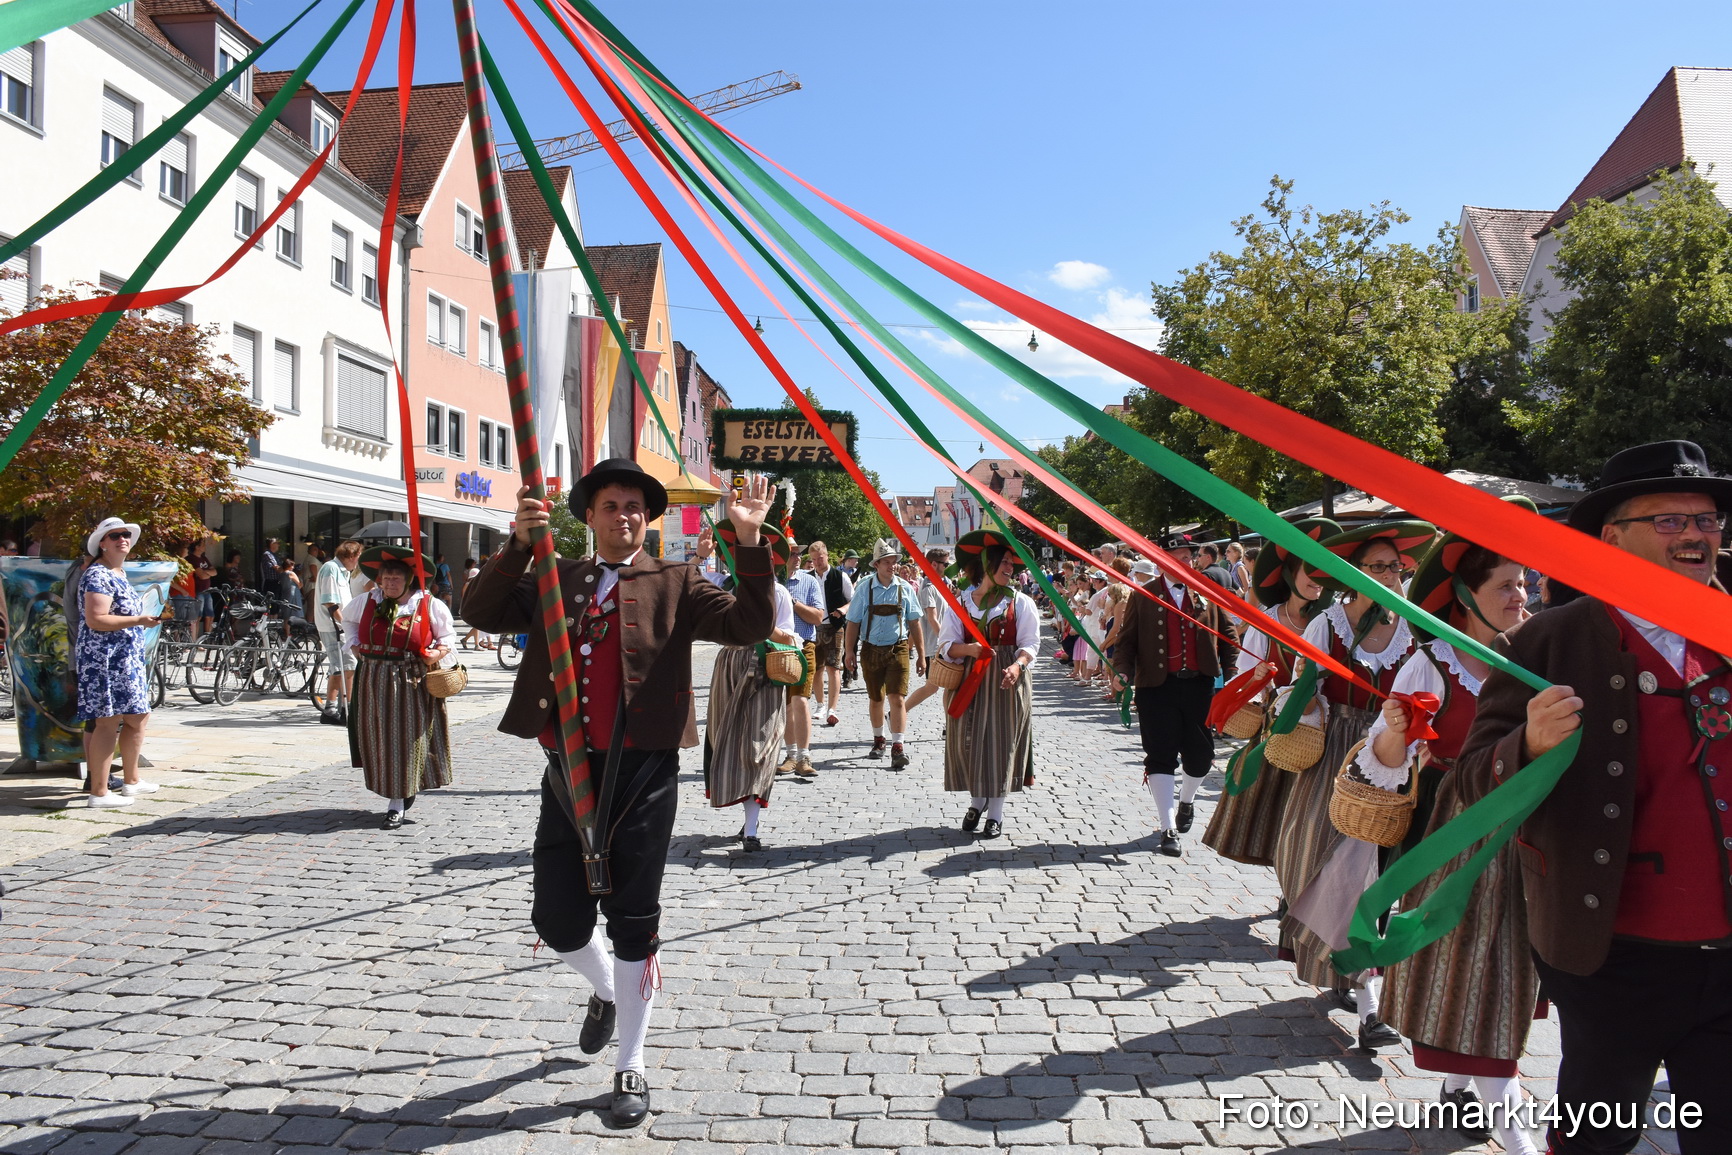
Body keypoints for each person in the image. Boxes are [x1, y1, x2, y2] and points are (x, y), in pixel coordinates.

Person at [462, 458, 776, 1129]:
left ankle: (630, 1059)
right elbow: (479, 609)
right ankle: (609, 992)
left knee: (635, 923)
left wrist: (748, 542)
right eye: (611, 505)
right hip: (568, 771)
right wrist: (519, 544)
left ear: (646, 517)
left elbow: (750, 624)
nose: (625, 516)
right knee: (557, 920)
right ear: (590, 514)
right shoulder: (558, 575)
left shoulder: (676, 579)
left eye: (635, 506)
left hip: (643, 774)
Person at [1457, 440, 1732, 1155]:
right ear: (1612, 536)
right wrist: (1529, 747)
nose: (1698, 534)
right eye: (1670, 520)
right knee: (1594, 1137)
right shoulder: (1549, 639)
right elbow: (1470, 779)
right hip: (1610, 953)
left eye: (1707, 520)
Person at [1367, 507, 1540, 1155]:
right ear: (1466, 597)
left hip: (1521, 837)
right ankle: (1517, 1135)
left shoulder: (1532, 656)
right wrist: (1391, 734)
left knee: (1496, 974)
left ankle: (1463, 1084)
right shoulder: (1429, 665)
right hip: (1448, 839)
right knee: (1478, 971)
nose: (1522, 595)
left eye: (1525, 583)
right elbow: (1381, 760)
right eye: (1506, 585)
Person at [1272, 520, 1434, 1047]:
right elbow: (1305, 687)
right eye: (1378, 566)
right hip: (1335, 760)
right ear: (1353, 573)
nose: (1390, 575)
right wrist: (1300, 708)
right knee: (1326, 867)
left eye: (1396, 566)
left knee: (1365, 873)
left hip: (1393, 757)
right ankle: (1357, 981)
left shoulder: (1414, 629)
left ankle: (1370, 1007)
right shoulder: (1329, 625)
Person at [1203, 518, 1338, 866]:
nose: (1318, 580)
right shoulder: (1269, 621)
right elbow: (1246, 679)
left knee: (1314, 821)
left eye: (1325, 572)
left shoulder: (1338, 621)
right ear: (1291, 573)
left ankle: (1295, 887)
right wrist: (1260, 677)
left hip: (1329, 732)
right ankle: (1285, 881)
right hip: (1281, 730)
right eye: (1311, 571)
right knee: (1276, 815)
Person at [1112, 533, 1232, 857]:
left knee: (1201, 757)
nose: (1185, 562)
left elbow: (1230, 636)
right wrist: (1122, 672)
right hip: (1157, 688)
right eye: (1178, 557)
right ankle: (1167, 828)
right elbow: (1126, 643)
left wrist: (1233, 680)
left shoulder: (1207, 593)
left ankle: (1187, 801)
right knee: (1160, 755)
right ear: (1162, 561)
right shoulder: (1143, 595)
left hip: (1200, 686)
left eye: (1188, 556)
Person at [341, 546, 457, 830]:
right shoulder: (366, 600)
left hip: (411, 680)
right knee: (381, 738)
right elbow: (347, 621)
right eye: (386, 578)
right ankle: (396, 790)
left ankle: (397, 801)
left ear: (408, 580)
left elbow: (448, 636)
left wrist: (437, 654)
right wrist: (354, 644)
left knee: (406, 739)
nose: (390, 583)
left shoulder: (428, 604)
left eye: (396, 578)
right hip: (373, 678)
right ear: (379, 579)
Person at [938, 530, 1038, 838]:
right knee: (967, 740)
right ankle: (976, 800)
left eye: (1012, 563)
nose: (1011, 568)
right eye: (1004, 562)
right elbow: (945, 646)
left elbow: (1031, 644)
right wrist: (970, 650)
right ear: (987, 563)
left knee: (1001, 743)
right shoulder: (960, 603)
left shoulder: (1021, 603)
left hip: (1007, 680)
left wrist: (1017, 666)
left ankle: (995, 813)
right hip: (969, 679)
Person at [706, 522, 799, 849]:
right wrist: (699, 555)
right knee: (725, 739)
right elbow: (680, 588)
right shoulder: (721, 585)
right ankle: (747, 820)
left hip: (765, 669)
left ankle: (751, 829)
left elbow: (791, 638)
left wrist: (762, 624)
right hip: (730, 666)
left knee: (759, 746)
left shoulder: (779, 593)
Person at [76, 517, 167, 809]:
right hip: (104, 660)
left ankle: (131, 781)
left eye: (125, 534)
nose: (122, 539)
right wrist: (139, 620)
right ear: (102, 543)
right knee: (107, 723)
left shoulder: (118, 573)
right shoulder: (98, 574)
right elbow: (96, 618)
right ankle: (99, 793)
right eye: (114, 535)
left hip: (125, 658)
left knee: (138, 717)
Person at [844, 540, 926, 769]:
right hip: (870, 647)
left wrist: (920, 654)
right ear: (877, 564)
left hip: (898, 647)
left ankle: (898, 746)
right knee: (876, 698)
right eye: (887, 562)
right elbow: (853, 622)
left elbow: (915, 623)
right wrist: (849, 651)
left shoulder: (905, 588)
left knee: (897, 697)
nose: (892, 566)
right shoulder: (865, 588)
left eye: (894, 562)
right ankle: (879, 739)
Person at [779, 536, 825, 779]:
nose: (798, 558)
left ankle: (804, 756)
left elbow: (818, 617)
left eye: (799, 553)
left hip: (804, 645)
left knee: (800, 700)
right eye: (793, 553)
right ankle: (790, 755)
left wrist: (793, 603)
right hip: (777, 649)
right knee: (786, 703)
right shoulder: (774, 580)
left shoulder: (809, 581)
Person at [315, 541, 362, 724]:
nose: (358, 562)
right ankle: (347, 711)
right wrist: (346, 624)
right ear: (350, 556)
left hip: (337, 626)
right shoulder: (331, 569)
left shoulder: (341, 571)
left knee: (339, 667)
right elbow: (329, 601)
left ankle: (330, 709)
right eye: (357, 557)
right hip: (333, 627)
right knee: (348, 667)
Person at [904, 548, 955, 713]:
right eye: (945, 564)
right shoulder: (928, 588)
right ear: (934, 564)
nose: (948, 567)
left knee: (948, 685)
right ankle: (899, 713)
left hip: (940, 644)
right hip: (936, 645)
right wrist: (945, 641)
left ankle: (949, 725)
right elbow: (932, 618)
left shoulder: (940, 585)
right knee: (932, 687)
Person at [809, 541, 852, 726]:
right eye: (814, 559)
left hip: (834, 627)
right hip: (813, 627)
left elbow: (854, 600)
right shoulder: (808, 577)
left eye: (820, 558)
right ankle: (820, 704)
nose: (818, 562)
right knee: (816, 669)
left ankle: (832, 708)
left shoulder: (840, 576)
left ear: (827, 556)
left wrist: (843, 609)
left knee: (833, 668)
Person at [189, 542, 215, 638]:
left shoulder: (204, 558)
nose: (205, 547)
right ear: (197, 546)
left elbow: (215, 572)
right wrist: (207, 573)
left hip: (207, 590)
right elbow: (202, 576)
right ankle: (194, 640)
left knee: (210, 615)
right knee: (197, 616)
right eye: (203, 545)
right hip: (198, 590)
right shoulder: (191, 559)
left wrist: (206, 572)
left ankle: (207, 638)